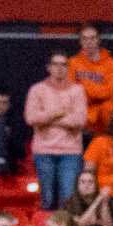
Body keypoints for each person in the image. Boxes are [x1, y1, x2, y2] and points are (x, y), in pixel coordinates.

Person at [24, 52, 89, 207]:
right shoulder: (37, 89)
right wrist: (58, 114)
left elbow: (80, 120)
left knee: (68, 198)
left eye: (64, 65)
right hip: (44, 151)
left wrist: (47, 119)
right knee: (47, 198)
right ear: (49, 67)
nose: (60, 68)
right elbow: (31, 118)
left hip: (70, 152)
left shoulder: (77, 90)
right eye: (56, 64)